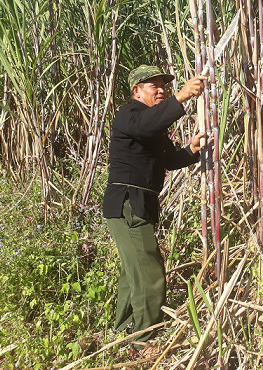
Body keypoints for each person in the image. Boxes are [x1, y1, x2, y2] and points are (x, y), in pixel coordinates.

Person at [103, 65, 206, 357]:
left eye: (165, 86)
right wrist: (183, 96)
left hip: (138, 205)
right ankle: (144, 340)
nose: (161, 90)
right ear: (136, 91)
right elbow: (146, 125)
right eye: (153, 86)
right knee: (149, 272)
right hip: (126, 204)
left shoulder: (151, 126)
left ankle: (123, 331)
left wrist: (192, 149)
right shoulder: (129, 116)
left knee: (133, 271)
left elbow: (170, 159)